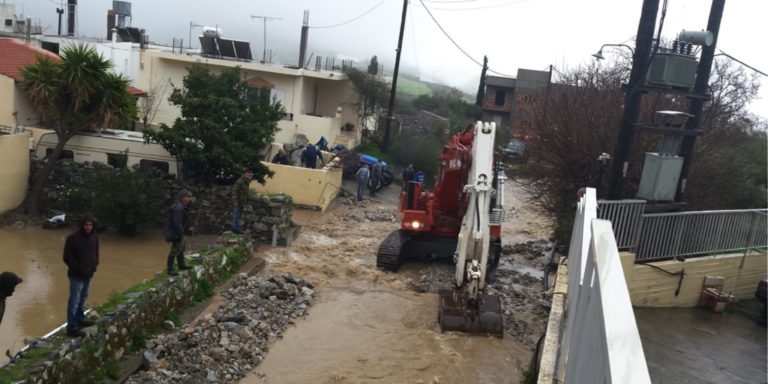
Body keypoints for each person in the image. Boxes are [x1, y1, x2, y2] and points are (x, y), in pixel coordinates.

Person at [63, 214, 99, 337]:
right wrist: (79, 268)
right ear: (82, 225)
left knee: (83, 299)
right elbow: (67, 257)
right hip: (76, 275)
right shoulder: (73, 238)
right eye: (86, 225)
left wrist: (95, 265)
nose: (88, 227)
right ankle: (71, 327)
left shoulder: (94, 236)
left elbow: (96, 252)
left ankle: (80, 319)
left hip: (89, 274)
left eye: (90, 225)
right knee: (74, 301)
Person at [164, 190, 193, 276]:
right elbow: (177, 222)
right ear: (183, 198)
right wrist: (181, 234)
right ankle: (170, 269)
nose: (189, 199)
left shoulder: (182, 206)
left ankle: (181, 265)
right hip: (177, 233)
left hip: (180, 232)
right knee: (174, 250)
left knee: (180, 249)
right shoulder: (179, 208)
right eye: (188, 197)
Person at [231, 170, 253, 234]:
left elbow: (246, 192)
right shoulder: (240, 181)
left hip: (242, 202)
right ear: (245, 173)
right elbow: (235, 191)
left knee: (239, 216)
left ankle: (236, 228)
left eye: (250, 174)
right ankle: (234, 228)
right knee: (236, 216)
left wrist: (247, 201)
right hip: (238, 202)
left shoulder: (246, 182)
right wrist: (235, 201)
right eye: (249, 174)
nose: (250, 175)